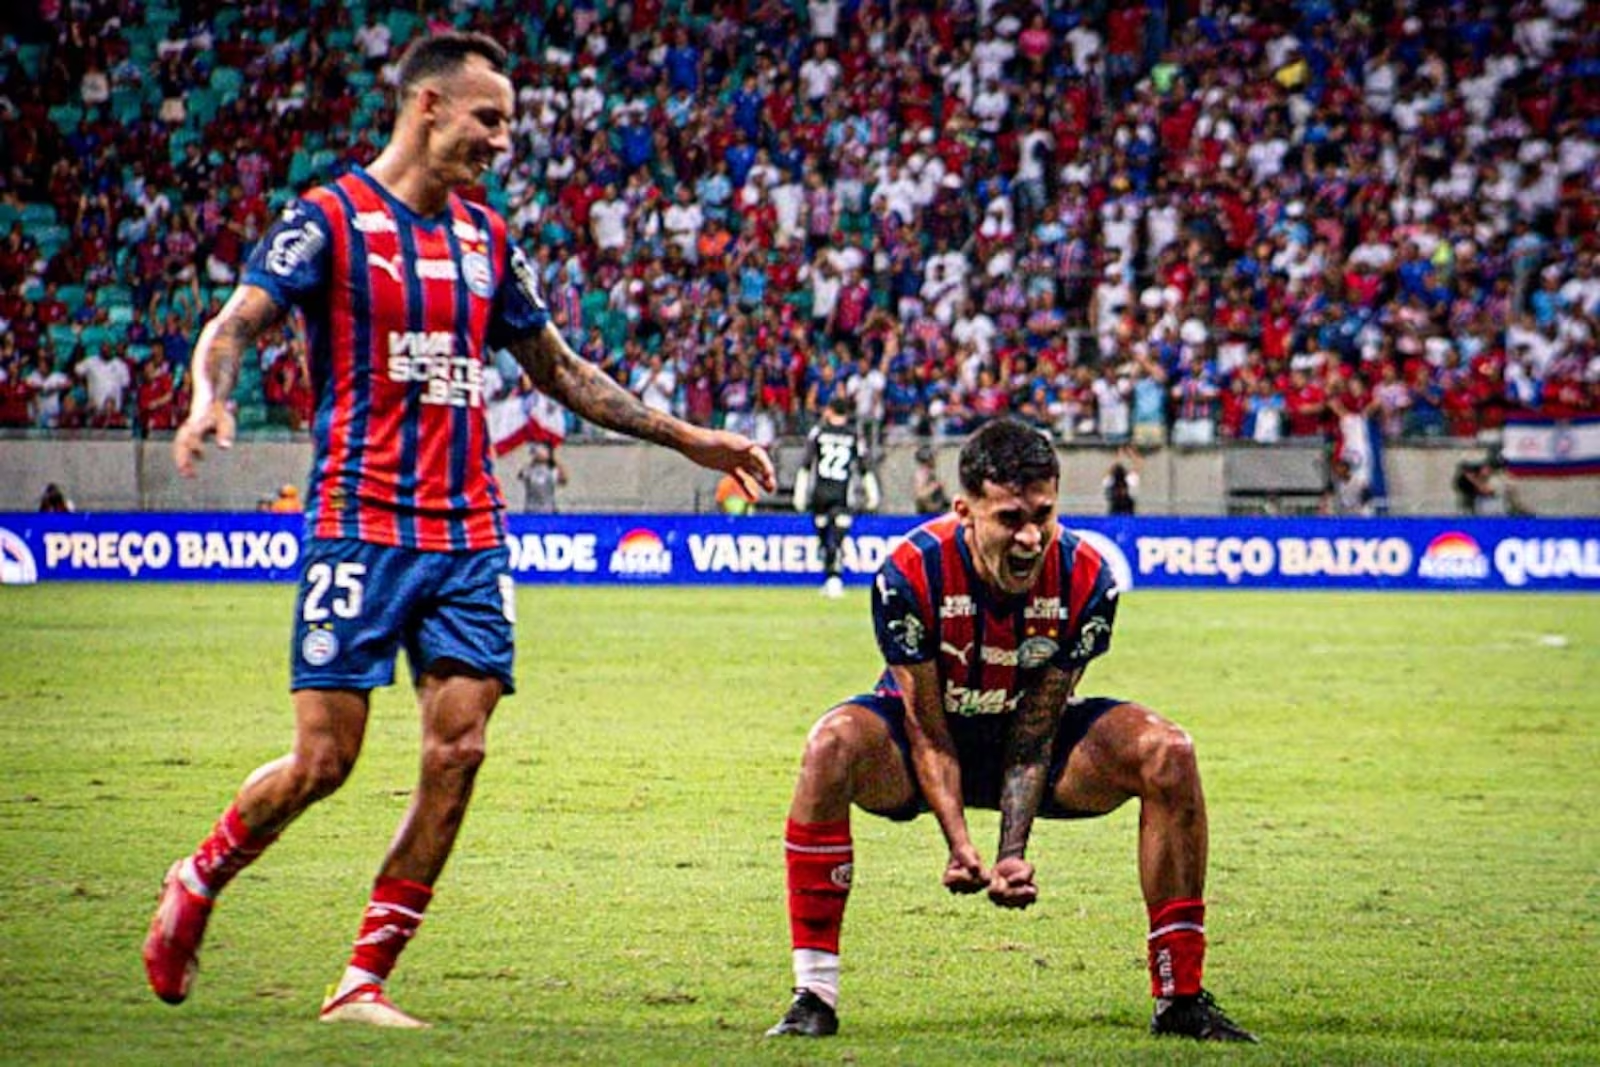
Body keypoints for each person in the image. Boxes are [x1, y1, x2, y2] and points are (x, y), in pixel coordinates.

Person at [144, 32, 775, 1030]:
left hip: (471, 531)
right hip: (359, 524)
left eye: (509, 123)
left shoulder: (486, 239)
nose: (503, 140)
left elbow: (560, 370)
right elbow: (234, 325)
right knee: (324, 762)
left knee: (461, 749)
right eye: (490, 118)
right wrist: (207, 398)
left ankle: (361, 979)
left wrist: (688, 436)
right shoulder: (333, 219)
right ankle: (201, 873)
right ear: (428, 106)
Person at [766, 418, 1255, 1044]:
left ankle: (1180, 999)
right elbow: (926, 729)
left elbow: (1035, 733)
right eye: (1009, 520)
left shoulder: (1088, 579)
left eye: (1043, 516)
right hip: (923, 744)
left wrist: (1011, 856)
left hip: (1030, 744)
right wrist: (959, 845)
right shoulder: (909, 573)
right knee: (830, 745)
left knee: (1169, 752)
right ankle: (813, 997)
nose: (1030, 538)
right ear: (964, 512)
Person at [793, 395, 879, 598]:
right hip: (843, 494)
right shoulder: (853, 435)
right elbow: (864, 467)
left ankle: (833, 579)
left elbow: (806, 465)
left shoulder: (819, 432)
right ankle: (833, 578)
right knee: (836, 538)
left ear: (829, 411)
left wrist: (799, 493)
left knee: (826, 538)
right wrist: (872, 493)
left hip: (820, 493)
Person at [515, 440, 567, 513]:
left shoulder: (552, 469)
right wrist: (533, 460)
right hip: (531, 509)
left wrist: (554, 461)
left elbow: (563, 481)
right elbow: (520, 476)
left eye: (544, 450)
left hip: (549, 510)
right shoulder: (529, 469)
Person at [911, 443, 950, 515]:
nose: (935, 460)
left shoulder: (929, 474)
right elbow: (920, 495)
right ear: (928, 459)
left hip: (936, 512)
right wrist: (935, 486)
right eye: (933, 458)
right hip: (927, 515)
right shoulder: (922, 475)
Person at [1103, 446, 1141, 516]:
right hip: (1121, 508)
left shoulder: (1111, 480)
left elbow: (1109, 471)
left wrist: (1118, 457)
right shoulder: (1128, 479)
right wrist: (1132, 454)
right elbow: (1138, 465)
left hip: (1121, 507)